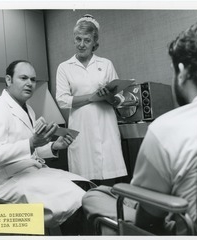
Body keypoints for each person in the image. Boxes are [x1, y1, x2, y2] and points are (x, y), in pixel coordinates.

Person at [82, 22, 197, 234]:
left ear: (182, 72)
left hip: (187, 227)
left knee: (95, 195)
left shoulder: (167, 127)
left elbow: (148, 219)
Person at [0, 60, 95, 234]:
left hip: (31, 172)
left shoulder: (28, 110)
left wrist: (54, 146)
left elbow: (31, 151)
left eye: (33, 80)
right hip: (7, 181)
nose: (29, 83)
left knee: (85, 187)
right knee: (75, 201)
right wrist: (31, 143)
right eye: (23, 78)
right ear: (9, 80)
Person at [56, 14, 127, 185]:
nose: (81, 44)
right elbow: (62, 100)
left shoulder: (106, 64)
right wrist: (93, 97)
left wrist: (110, 97)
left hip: (106, 130)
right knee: (84, 185)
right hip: (82, 131)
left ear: (94, 42)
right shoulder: (65, 67)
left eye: (86, 40)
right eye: (78, 39)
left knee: (109, 185)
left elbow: (119, 98)